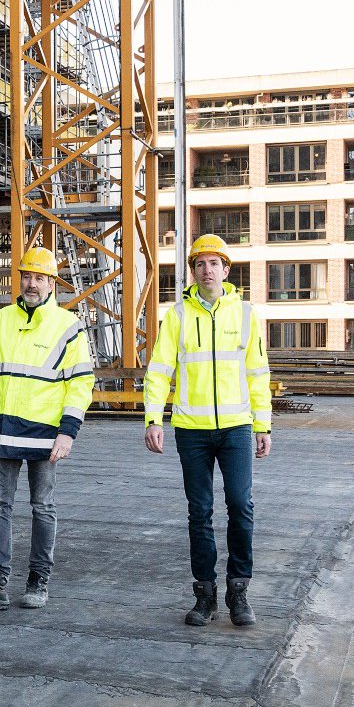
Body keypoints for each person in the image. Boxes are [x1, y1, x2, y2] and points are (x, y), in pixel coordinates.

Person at [142, 234, 272, 627]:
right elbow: (160, 370)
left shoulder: (246, 314)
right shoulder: (178, 316)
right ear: (193, 271)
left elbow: (258, 374)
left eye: (214, 263)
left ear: (226, 270)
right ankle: (205, 595)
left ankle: (238, 591)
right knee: (199, 512)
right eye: (200, 263)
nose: (207, 269)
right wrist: (153, 418)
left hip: (235, 428)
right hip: (191, 430)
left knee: (241, 506)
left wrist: (262, 424)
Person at [0, 247, 94, 611]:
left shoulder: (67, 326)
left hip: (45, 434)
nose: (31, 283)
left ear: (52, 283)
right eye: (27, 276)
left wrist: (68, 432)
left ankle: (38, 580)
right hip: (1, 432)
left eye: (39, 277)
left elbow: (81, 383)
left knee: (43, 507)